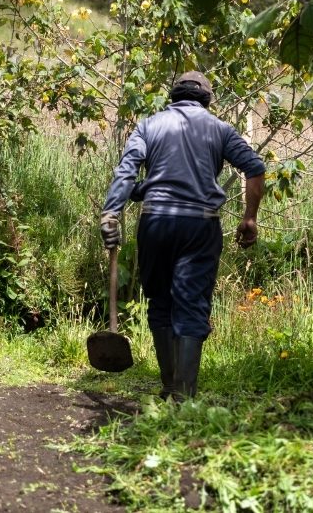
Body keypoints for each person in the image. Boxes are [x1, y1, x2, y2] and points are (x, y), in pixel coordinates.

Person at [99, 71, 265, 399]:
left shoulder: (149, 125)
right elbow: (255, 168)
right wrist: (249, 219)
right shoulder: (220, 129)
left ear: (173, 97)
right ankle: (183, 395)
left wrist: (111, 211)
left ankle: (168, 385)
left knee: (160, 301)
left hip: (155, 222)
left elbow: (126, 170)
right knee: (191, 305)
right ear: (207, 100)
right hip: (199, 226)